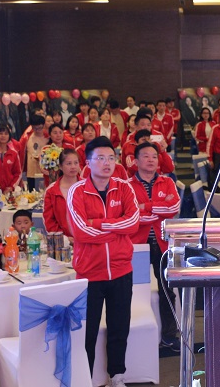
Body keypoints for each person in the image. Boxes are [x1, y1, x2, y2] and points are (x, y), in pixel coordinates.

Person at [67, 136, 140, 386]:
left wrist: (97, 224)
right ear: (87, 163)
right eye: (100, 158)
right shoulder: (77, 191)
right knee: (87, 332)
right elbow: (80, 232)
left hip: (121, 270)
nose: (107, 163)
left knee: (119, 327)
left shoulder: (124, 188)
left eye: (111, 158)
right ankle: (85, 379)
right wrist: (116, 229)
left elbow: (133, 223)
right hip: (90, 273)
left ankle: (117, 375)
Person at [128, 142, 181, 351]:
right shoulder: (127, 186)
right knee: (134, 290)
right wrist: (157, 210)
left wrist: (146, 207)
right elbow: (130, 215)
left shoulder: (167, 182)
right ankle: (135, 335)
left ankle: (169, 335)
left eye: (154, 156)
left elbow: (174, 207)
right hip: (137, 245)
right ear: (136, 160)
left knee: (167, 290)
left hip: (162, 243)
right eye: (145, 156)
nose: (150, 160)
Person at [43, 148, 79, 238]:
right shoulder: (51, 191)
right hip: (62, 241)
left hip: (86, 240)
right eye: (69, 163)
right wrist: (65, 239)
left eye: (76, 163)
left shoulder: (88, 187)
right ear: (60, 166)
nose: (73, 167)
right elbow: (49, 221)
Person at [23, 115, 48, 190]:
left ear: (44, 125)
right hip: (31, 172)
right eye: (34, 128)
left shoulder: (48, 137)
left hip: (45, 172)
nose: (37, 130)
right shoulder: (27, 137)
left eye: (40, 128)